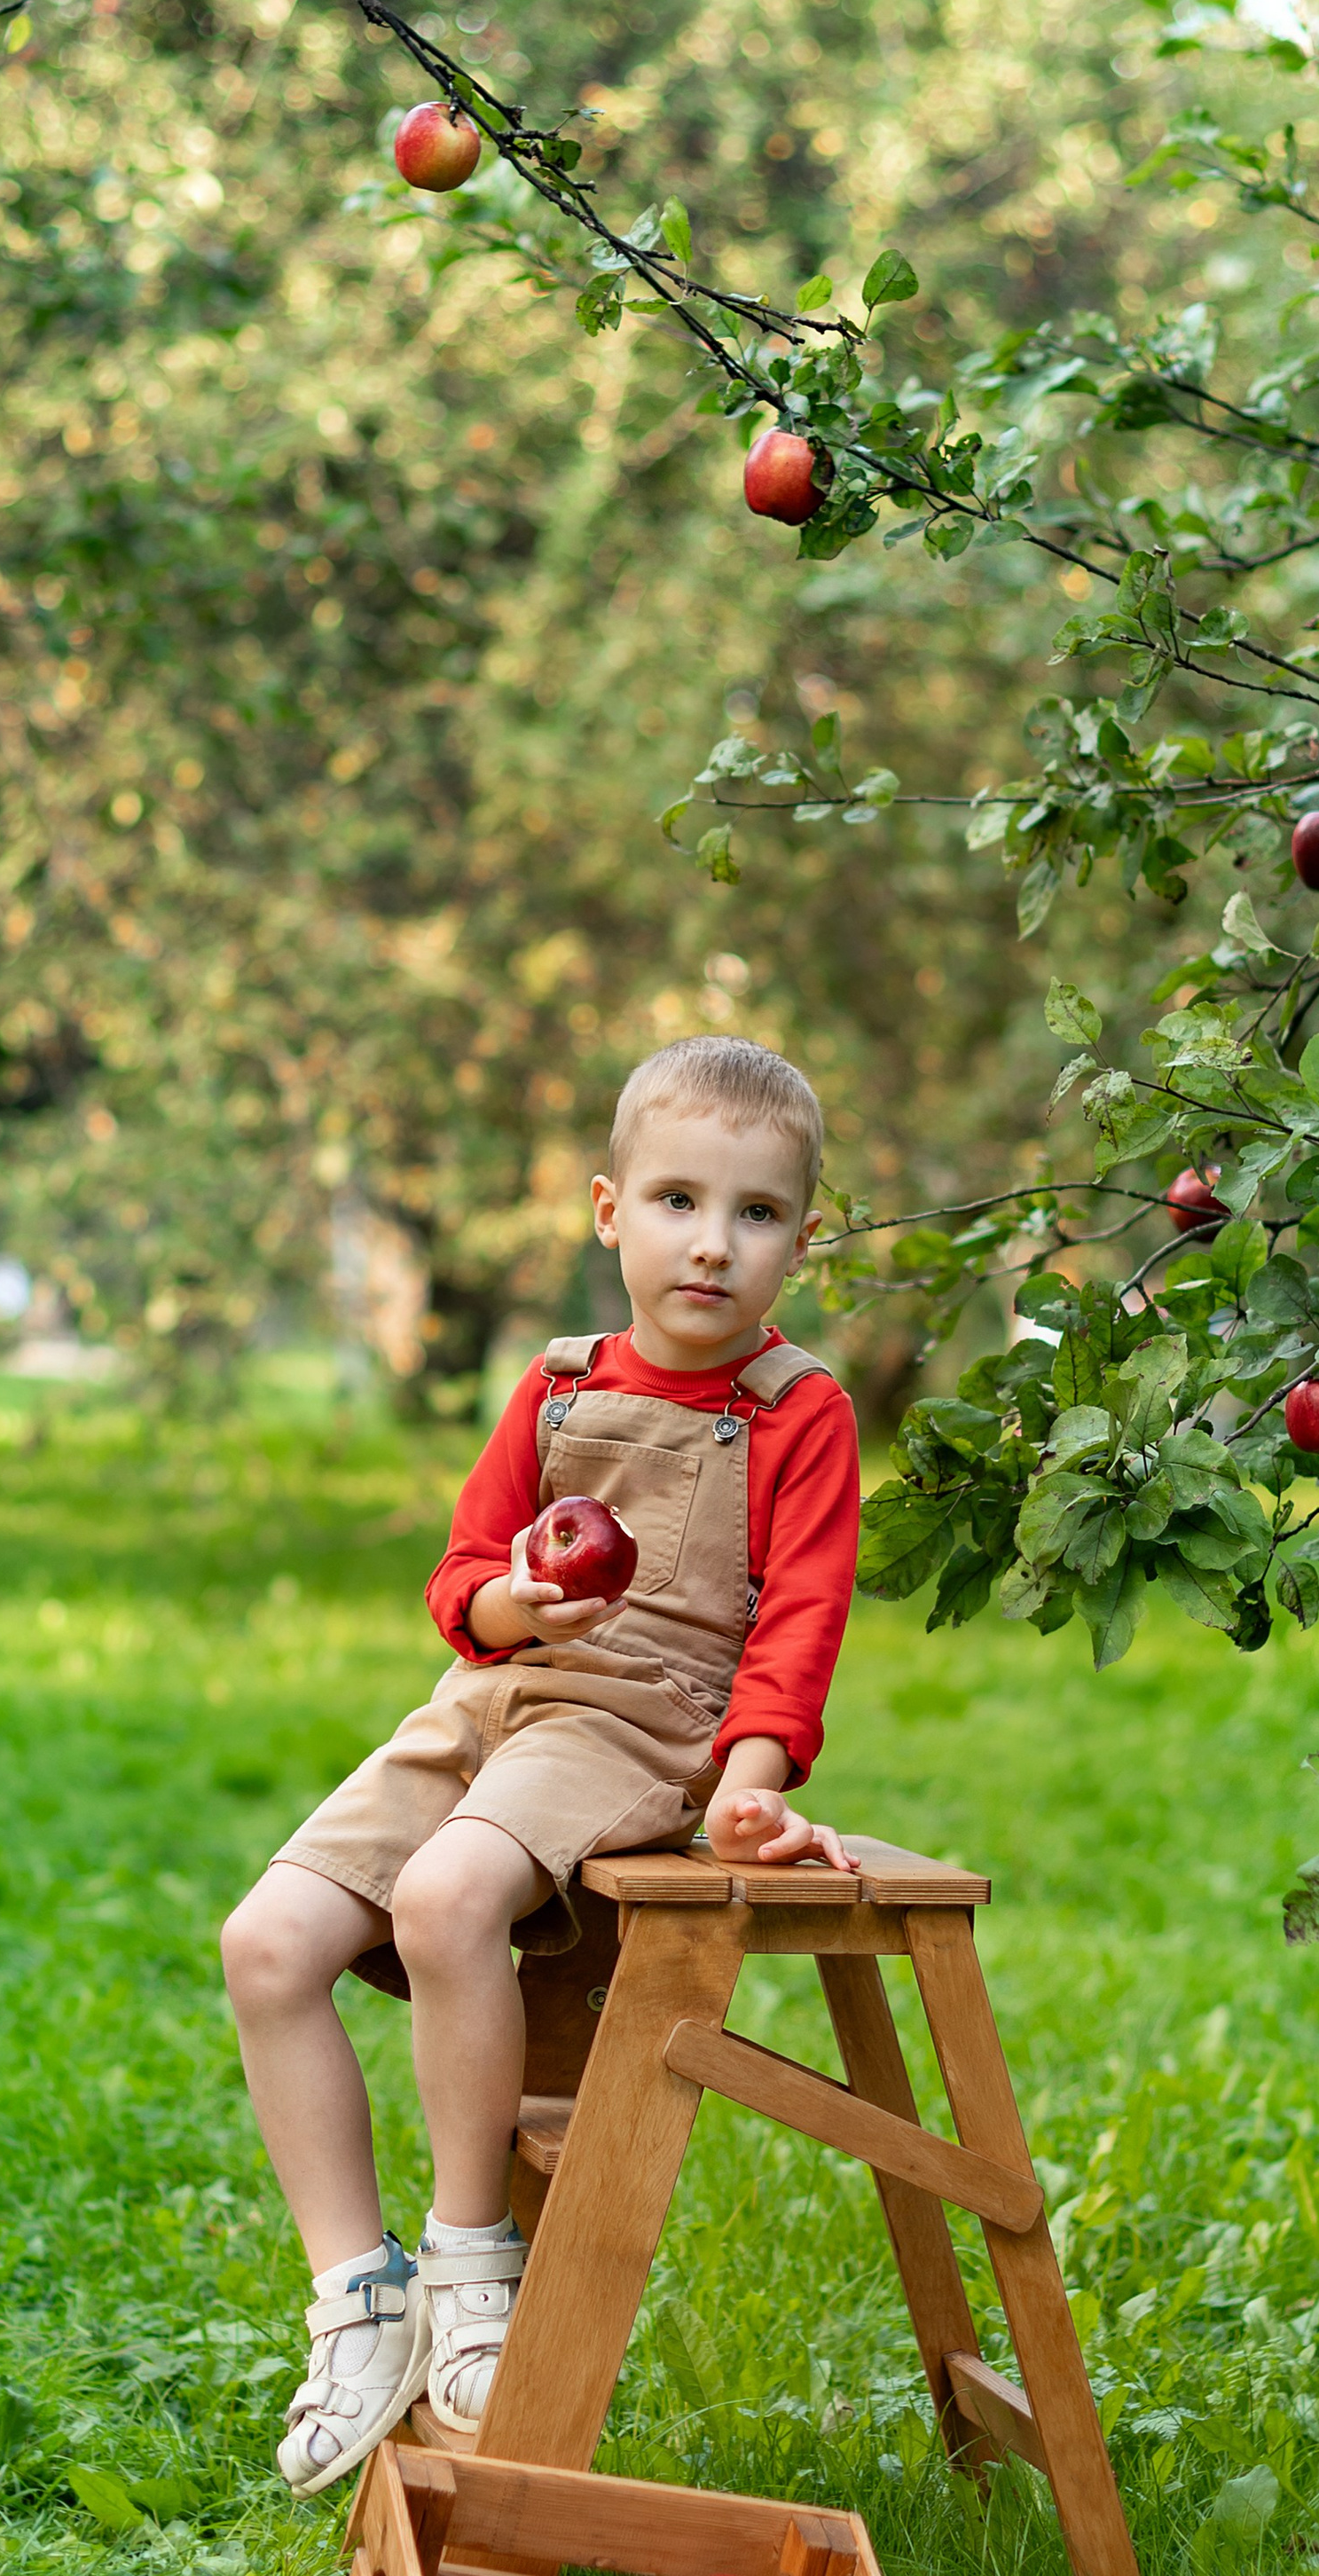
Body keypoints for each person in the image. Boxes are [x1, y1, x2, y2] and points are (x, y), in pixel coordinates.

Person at [220, 1034, 861, 2495]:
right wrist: (513, 1605)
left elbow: (800, 1622)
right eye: (679, 1201)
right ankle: (358, 2298)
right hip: (494, 1695)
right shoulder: (560, 1385)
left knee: (449, 1903)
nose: (714, 1244)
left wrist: (753, 1779)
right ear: (607, 1210)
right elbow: (463, 1572)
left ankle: (468, 2265)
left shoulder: (793, 1411)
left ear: (802, 1241)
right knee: (264, 1945)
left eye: (757, 1215)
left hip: (641, 1716)